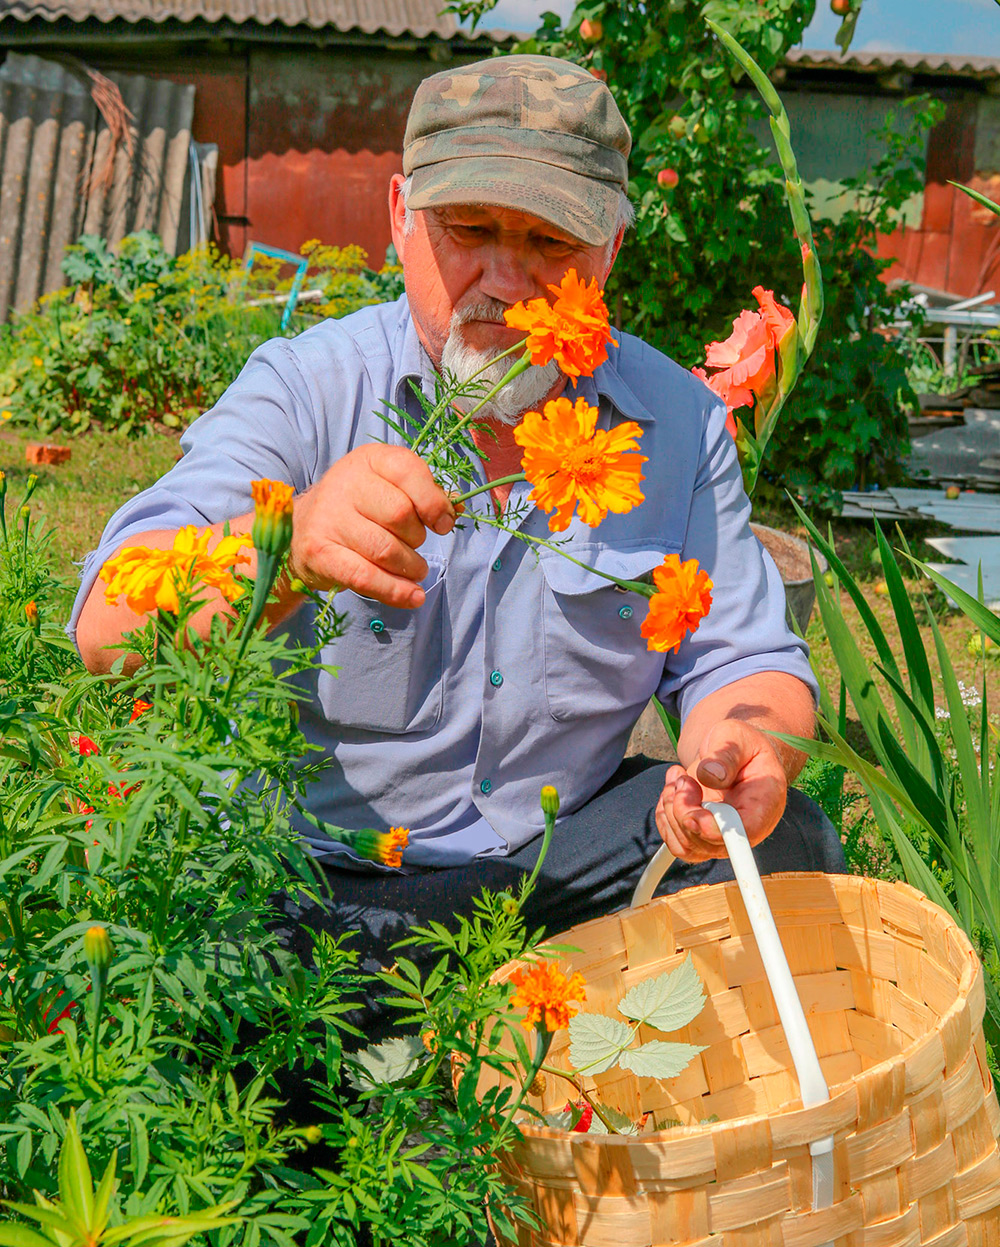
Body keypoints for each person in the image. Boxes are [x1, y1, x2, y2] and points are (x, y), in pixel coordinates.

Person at [72, 54, 844, 1031]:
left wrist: (738, 756)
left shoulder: (675, 421)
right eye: (468, 230)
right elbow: (105, 628)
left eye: (549, 240)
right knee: (307, 1060)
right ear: (401, 214)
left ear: (607, 250)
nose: (506, 280)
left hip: (558, 865)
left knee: (782, 847)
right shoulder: (305, 388)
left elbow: (745, 655)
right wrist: (286, 544)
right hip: (330, 880)